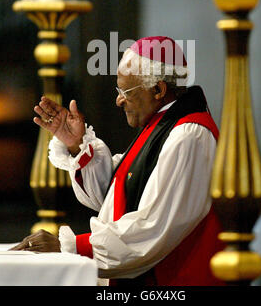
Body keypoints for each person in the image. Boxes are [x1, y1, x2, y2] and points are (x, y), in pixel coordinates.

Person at [12, 36, 225, 286]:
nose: (119, 100)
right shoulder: (161, 127)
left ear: (158, 90)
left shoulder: (189, 135)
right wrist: (77, 144)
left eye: (126, 91)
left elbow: (152, 228)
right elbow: (116, 197)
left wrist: (69, 246)